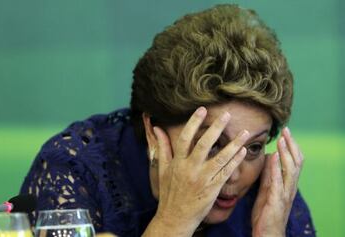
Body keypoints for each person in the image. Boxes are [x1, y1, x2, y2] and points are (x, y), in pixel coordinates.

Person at [20, 4, 316, 236]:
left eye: (253, 148)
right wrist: (174, 223)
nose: (234, 175)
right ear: (152, 130)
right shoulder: (75, 170)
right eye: (212, 145)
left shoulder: (267, 190)